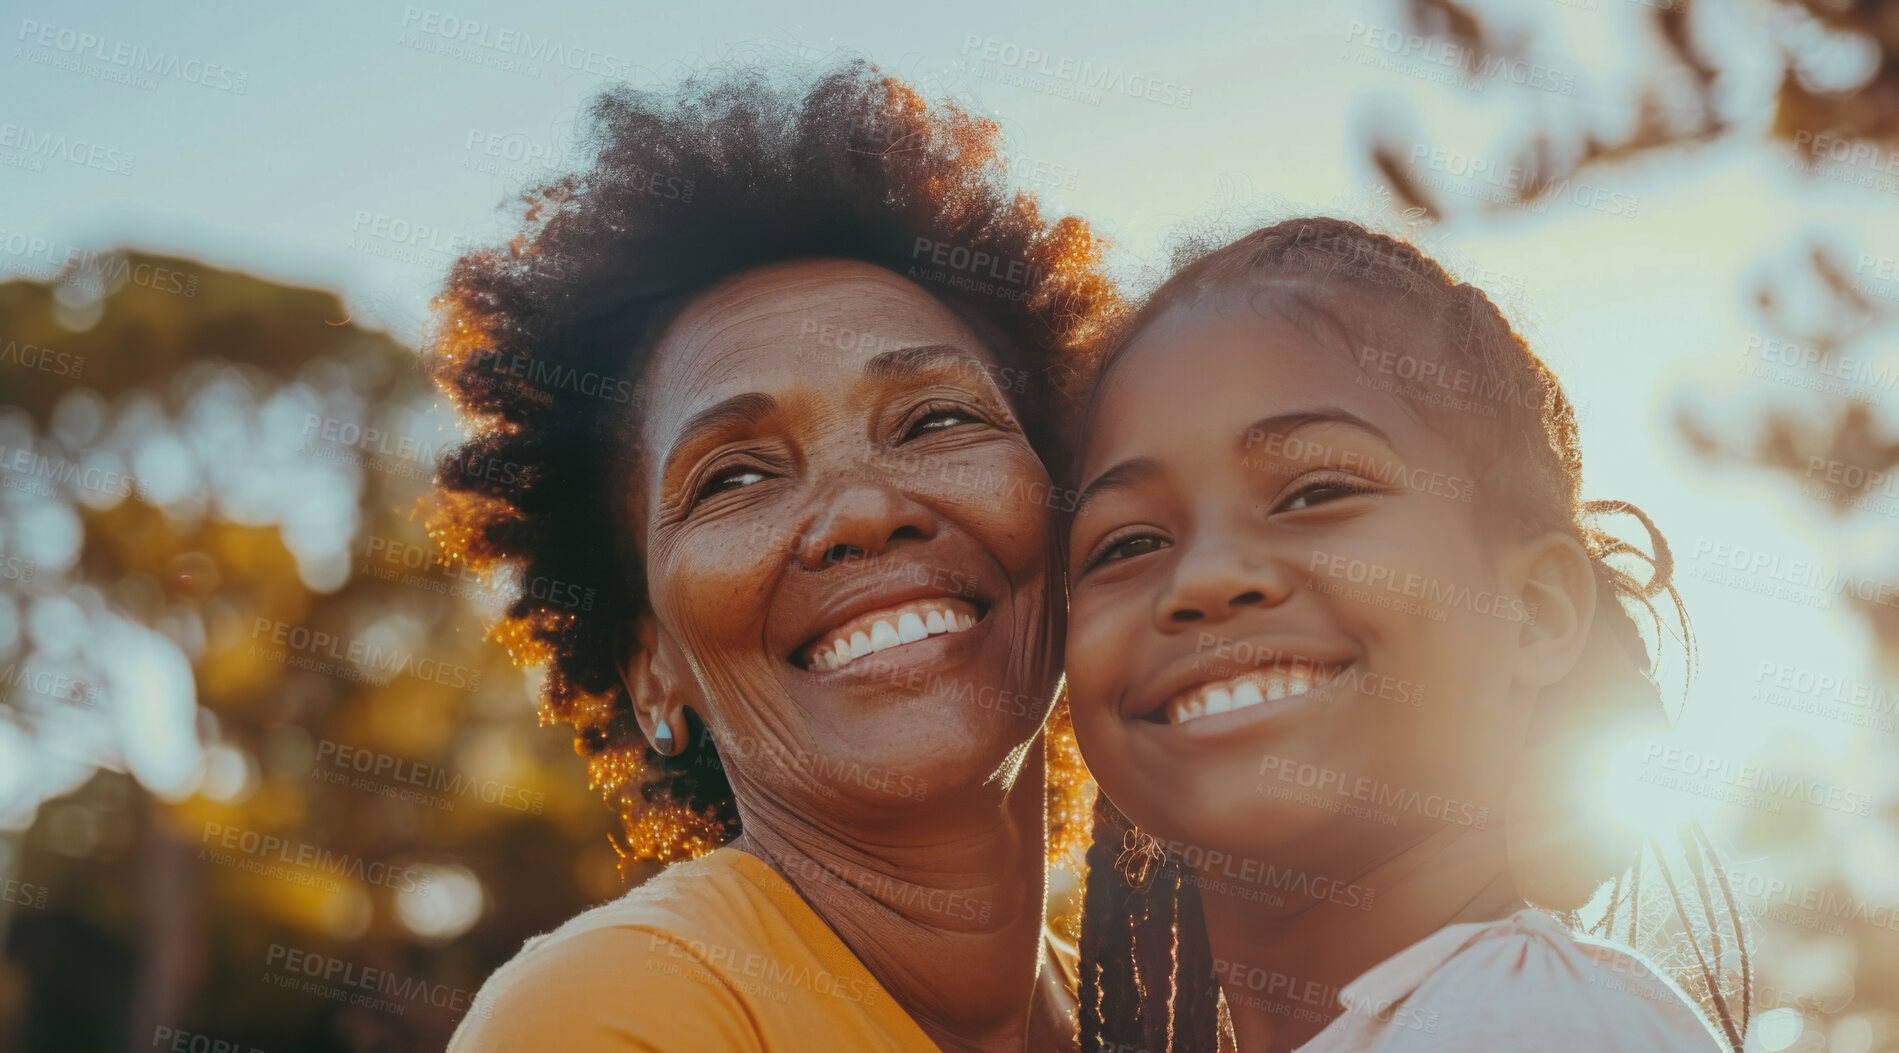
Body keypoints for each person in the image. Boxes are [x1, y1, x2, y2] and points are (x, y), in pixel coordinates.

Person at [431, 62, 1114, 1052]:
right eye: (735, 479)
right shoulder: (611, 1015)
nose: (864, 510)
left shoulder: (1163, 1014)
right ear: (652, 672)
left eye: (935, 419)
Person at [1060, 217, 1750, 1052]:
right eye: (1127, 543)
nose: (1202, 576)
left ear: (1533, 610)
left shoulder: (1526, 1023)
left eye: (1315, 493)